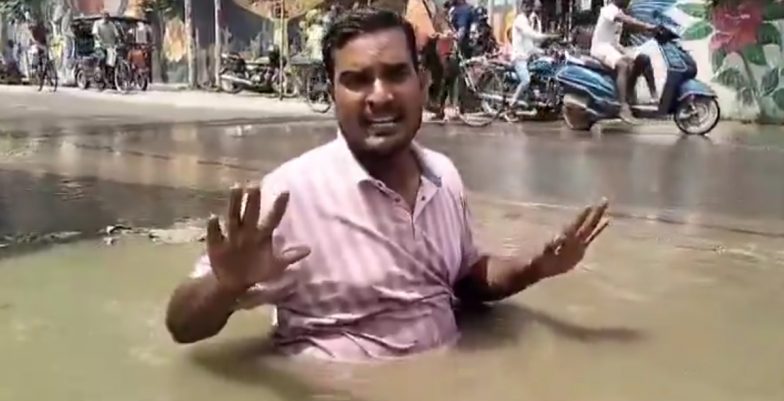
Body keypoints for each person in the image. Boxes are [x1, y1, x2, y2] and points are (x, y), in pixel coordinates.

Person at [165, 8, 610, 363]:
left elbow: (464, 281)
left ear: (424, 84)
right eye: (356, 80)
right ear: (331, 94)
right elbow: (181, 328)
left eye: (396, 74)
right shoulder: (289, 195)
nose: (379, 95)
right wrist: (225, 287)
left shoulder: (443, 176)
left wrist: (536, 267)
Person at [590, 0, 658, 123]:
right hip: (601, 47)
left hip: (614, 47)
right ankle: (622, 106)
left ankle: (654, 98)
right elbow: (627, 20)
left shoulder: (619, 11)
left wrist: (652, 31)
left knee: (643, 59)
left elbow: (631, 26)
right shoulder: (609, 10)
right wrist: (646, 26)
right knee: (623, 65)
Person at [511, 0, 558, 103]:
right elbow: (533, 35)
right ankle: (512, 103)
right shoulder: (520, 20)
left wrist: (544, 52)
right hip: (519, 58)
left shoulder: (528, 20)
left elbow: (530, 46)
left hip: (528, 57)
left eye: (530, 6)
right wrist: (548, 36)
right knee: (526, 80)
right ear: (522, 6)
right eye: (527, 6)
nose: (529, 9)